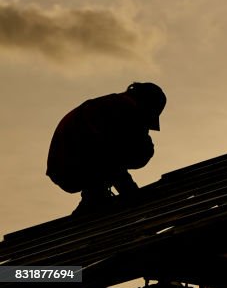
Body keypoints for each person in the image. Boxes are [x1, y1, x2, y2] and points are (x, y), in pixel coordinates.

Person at [46, 82, 166, 214]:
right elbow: (108, 154)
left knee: (134, 148)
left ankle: (94, 195)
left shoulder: (112, 104)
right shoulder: (127, 110)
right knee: (144, 148)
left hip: (64, 167)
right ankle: (94, 195)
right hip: (78, 163)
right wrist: (130, 192)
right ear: (147, 105)